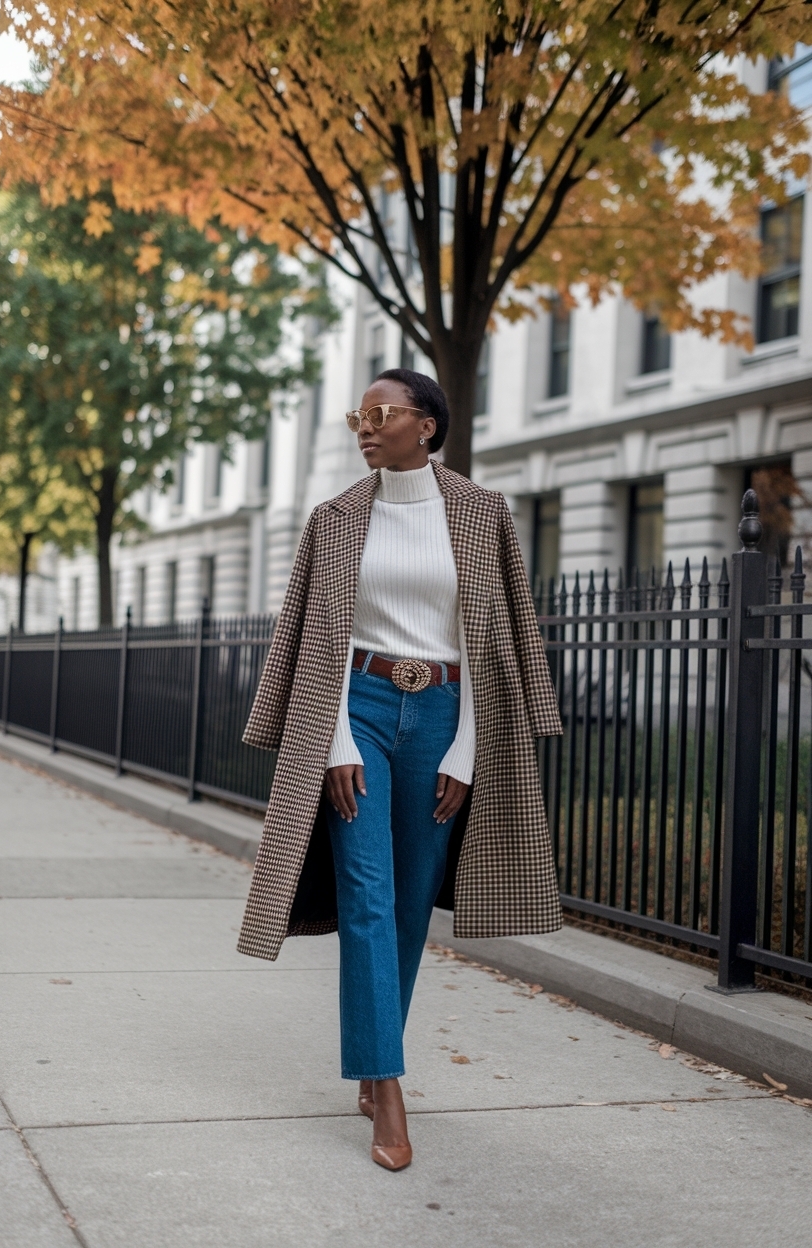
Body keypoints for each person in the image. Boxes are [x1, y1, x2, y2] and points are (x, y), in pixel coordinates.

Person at [237, 368, 562, 1171]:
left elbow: (496, 638)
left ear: (427, 425)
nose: (364, 425)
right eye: (359, 413)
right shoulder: (337, 517)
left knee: (414, 903)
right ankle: (385, 1083)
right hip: (362, 710)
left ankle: (375, 1051)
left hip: (446, 717)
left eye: (380, 413)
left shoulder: (484, 514)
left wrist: (469, 747)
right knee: (371, 899)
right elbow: (318, 638)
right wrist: (335, 740)